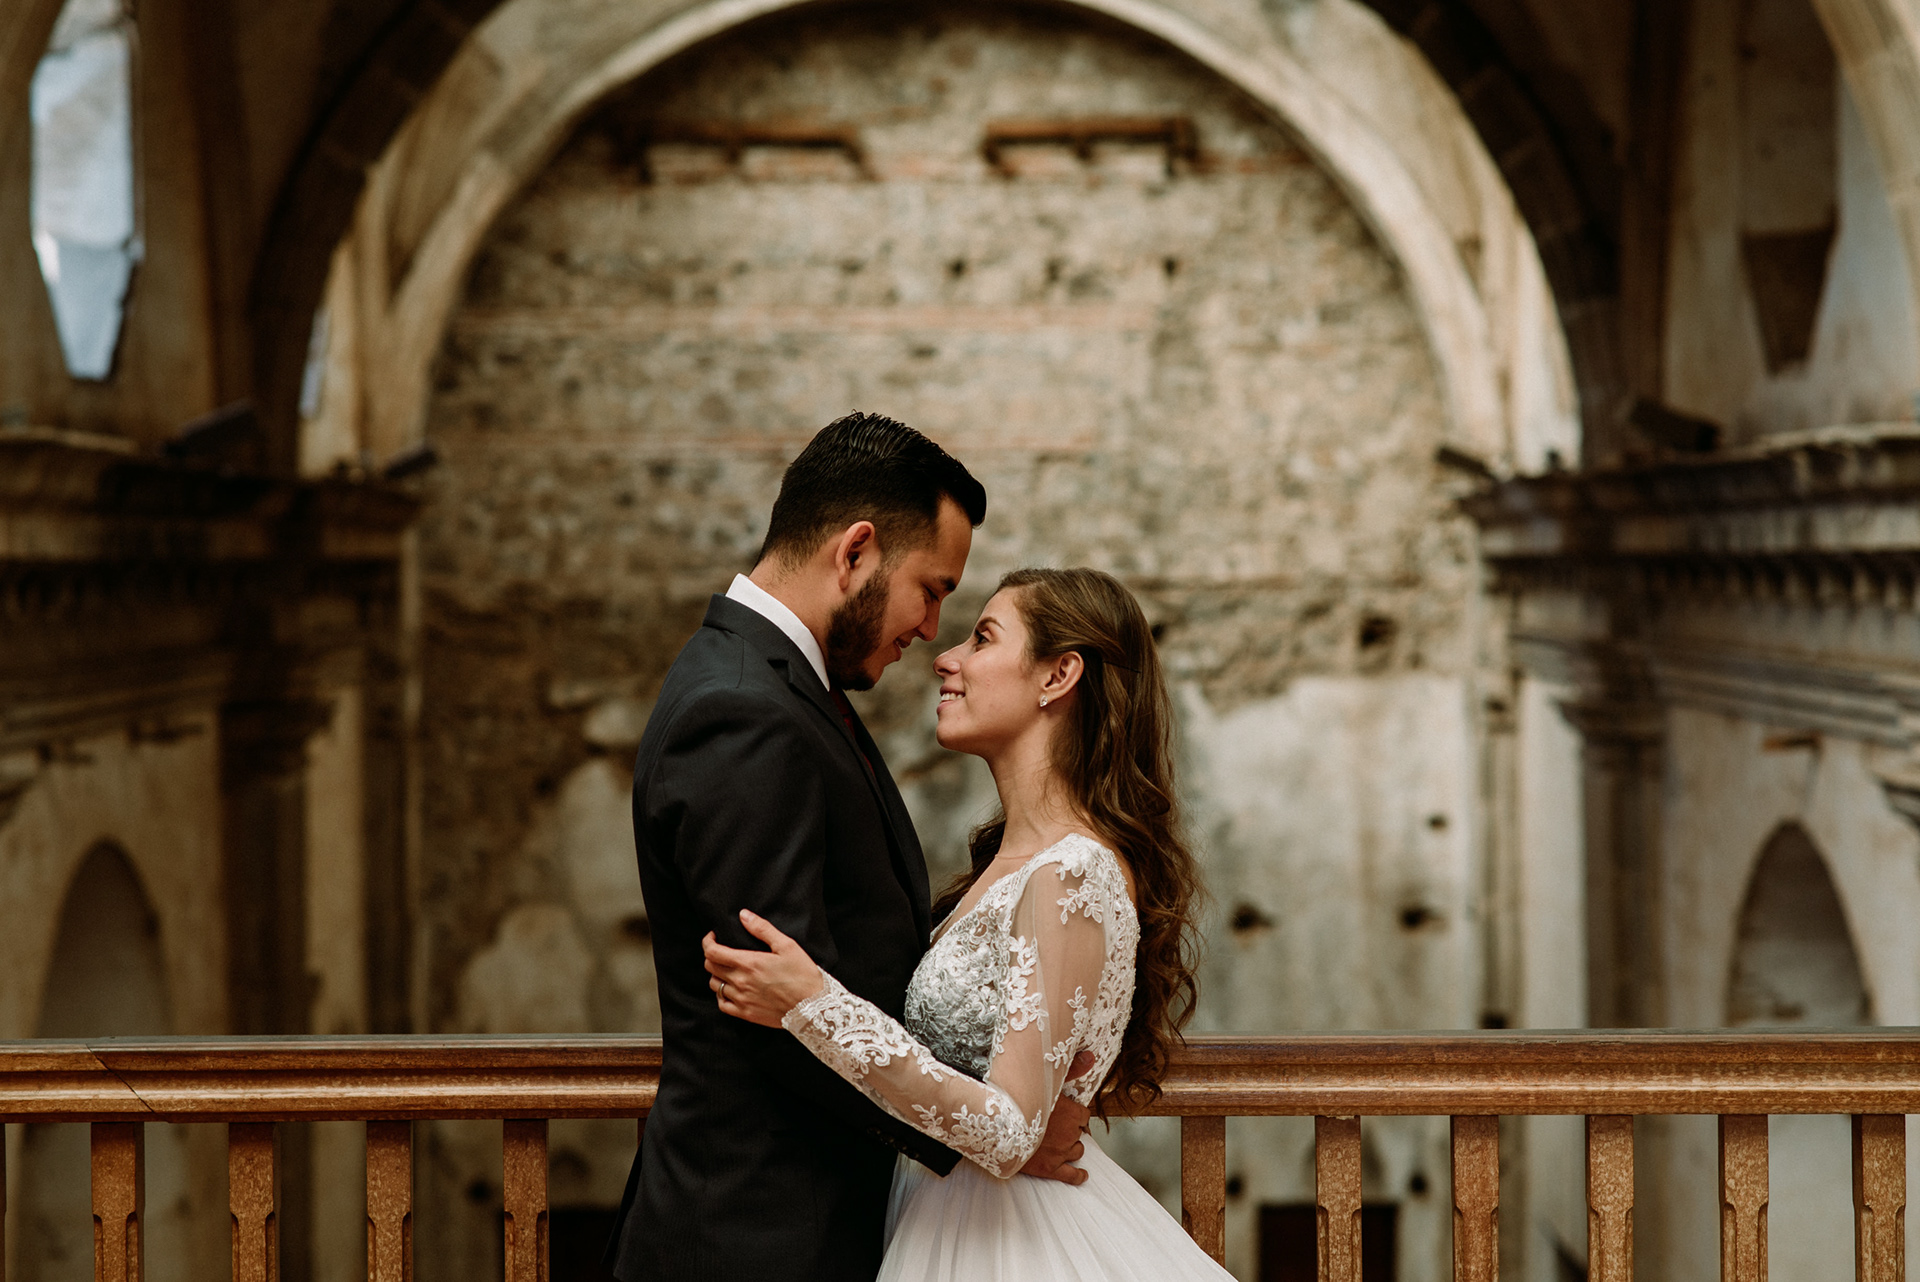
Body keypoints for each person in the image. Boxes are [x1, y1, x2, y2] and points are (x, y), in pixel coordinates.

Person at [606, 415, 1095, 1282]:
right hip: (752, 1238)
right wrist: (993, 1137)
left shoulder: (783, 690)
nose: (931, 628)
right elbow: (773, 1005)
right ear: (856, 550)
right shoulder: (743, 711)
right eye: (931, 588)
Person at [704, 566, 1233, 1282]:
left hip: (1013, 1245)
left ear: (1059, 675)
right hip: (946, 1217)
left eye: (982, 637)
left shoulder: (1072, 871)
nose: (945, 657)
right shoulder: (1005, 864)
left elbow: (1012, 1131)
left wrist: (811, 1005)